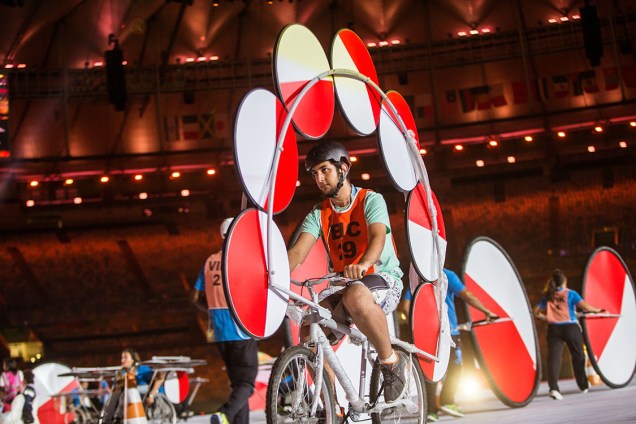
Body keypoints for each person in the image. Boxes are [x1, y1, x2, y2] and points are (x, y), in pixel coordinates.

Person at [287, 140, 407, 403]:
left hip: (383, 279)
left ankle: (391, 362)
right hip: (348, 286)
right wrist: (275, 276)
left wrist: (363, 265)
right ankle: (331, 406)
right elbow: (297, 253)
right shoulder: (318, 213)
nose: (319, 178)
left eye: (324, 170)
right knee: (309, 329)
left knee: (355, 295)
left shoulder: (371, 199)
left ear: (344, 168)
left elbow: (377, 237)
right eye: (314, 173)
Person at [400, 265, 498, 422]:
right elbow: (468, 296)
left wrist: (418, 326)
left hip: (425, 336)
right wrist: (487, 312)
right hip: (449, 333)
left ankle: (431, 411)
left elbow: (405, 308)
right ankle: (448, 401)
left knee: (430, 371)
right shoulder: (447, 275)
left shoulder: (417, 277)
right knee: (455, 367)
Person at [192, 217, 258, 424]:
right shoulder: (239, 259)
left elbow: (194, 298)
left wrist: (212, 308)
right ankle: (224, 414)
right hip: (239, 328)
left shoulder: (209, 261)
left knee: (238, 385)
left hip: (219, 332)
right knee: (247, 384)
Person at [533, 269, 603, 401]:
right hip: (570, 327)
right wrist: (598, 310)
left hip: (554, 329)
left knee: (553, 359)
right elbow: (585, 307)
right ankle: (583, 385)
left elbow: (535, 311)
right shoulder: (571, 293)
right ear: (565, 281)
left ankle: (553, 388)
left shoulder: (548, 295)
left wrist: (544, 318)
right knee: (578, 355)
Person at [102, 348, 165, 423]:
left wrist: (151, 395)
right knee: (115, 394)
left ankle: (118, 417)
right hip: (128, 394)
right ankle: (107, 420)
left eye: (125, 357)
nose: (122, 360)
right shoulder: (122, 372)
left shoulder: (142, 369)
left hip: (143, 391)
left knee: (125, 393)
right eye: (122, 357)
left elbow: (159, 378)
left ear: (132, 360)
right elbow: (116, 389)